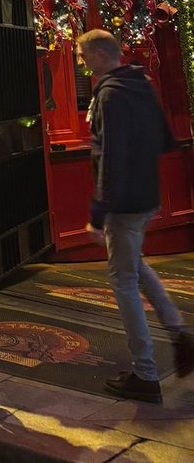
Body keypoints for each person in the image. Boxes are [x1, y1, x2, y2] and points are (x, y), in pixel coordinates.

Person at [80, 29, 194, 400]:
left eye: (84, 56)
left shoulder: (110, 94)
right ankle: (179, 333)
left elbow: (109, 157)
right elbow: (164, 139)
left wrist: (98, 214)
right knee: (135, 267)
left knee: (123, 281)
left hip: (123, 204)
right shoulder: (140, 84)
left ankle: (145, 374)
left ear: (100, 55)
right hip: (145, 196)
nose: (82, 63)